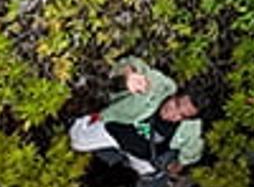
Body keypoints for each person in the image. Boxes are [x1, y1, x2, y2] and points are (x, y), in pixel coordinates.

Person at [67, 57, 205, 176]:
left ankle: (133, 162)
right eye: (176, 104)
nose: (173, 113)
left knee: (150, 174)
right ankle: (81, 119)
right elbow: (133, 63)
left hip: (143, 155)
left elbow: (193, 149)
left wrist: (180, 163)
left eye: (181, 115)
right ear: (174, 94)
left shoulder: (191, 129)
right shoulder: (157, 85)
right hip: (113, 131)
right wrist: (129, 74)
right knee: (76, 142)